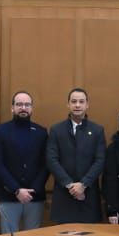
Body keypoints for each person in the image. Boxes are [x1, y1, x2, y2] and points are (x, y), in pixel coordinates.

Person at [0, 91, 49, 231]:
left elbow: (46, 164)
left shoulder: (41, 132)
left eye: (27, 105)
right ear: (12, 108)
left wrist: (34, 189)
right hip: (9, 196)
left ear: (32, 108)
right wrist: (16, 189)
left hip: (34, 197)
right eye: (19, 104)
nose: (23, 108)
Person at [46, 87, 106, 224]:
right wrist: (70, 185)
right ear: (68, 104)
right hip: (64, 194)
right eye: (74, 101)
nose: (77, 105)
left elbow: (100, 160)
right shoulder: (56, 130)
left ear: (87, 104)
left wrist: (83, 185)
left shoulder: (97, 130)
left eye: (81, 101)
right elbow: (51, 159)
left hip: (88, 195)